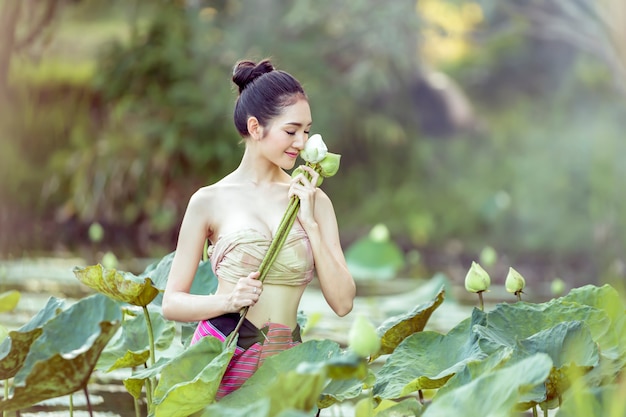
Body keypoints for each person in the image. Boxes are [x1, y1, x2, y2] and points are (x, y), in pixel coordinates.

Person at [162, 58, 356, 399]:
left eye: (307, 131)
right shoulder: (208, 201)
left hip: (286, 365)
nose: (301, 142)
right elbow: (172, 303)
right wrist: (226, 300)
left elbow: (342, 303)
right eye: (291, 131)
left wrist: (309, 222)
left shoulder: (315, 201)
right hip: (222, 357)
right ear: (256, 128)